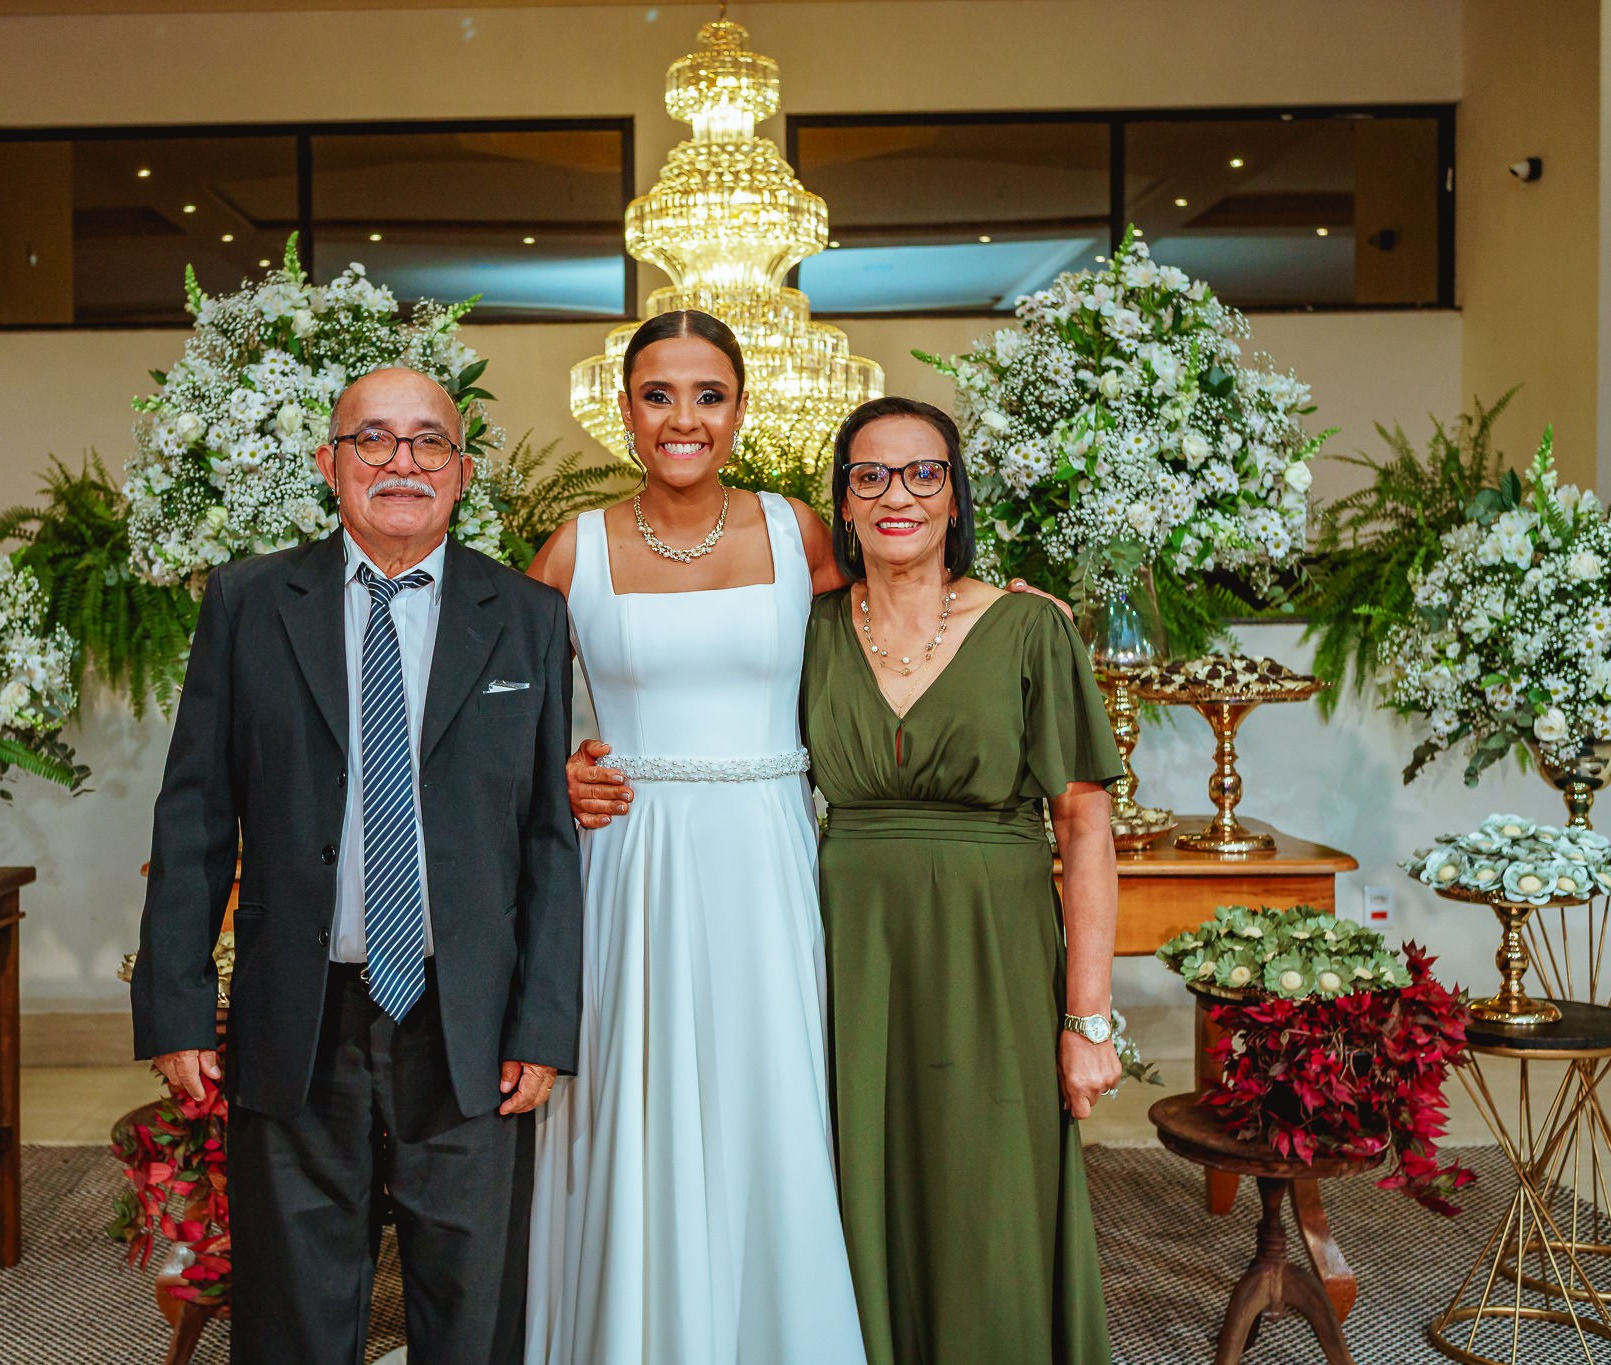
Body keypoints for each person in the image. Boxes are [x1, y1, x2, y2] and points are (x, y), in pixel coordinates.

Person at [131, 367, 584, 1365]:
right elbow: (196, 810)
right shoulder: (250, 602)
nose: (402, 462)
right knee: (293, 1306)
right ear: (328, 464)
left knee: (473, 1307)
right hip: (299, 1010)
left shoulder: (525, 616)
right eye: (373, 439)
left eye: (429, 441)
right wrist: (175, 1006)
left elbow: (547, 838)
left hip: (468, 1018)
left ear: (462, 470)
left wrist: (544, 1025)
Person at [522, 310, 869, 1364]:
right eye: (658, 395)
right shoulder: (573, 549)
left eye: (708, 395)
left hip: (767, 858)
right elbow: (492, 710)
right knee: (638, 1100)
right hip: (632, 862)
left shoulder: (798, 533)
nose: (684, 418)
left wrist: (1006, 603)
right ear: (624, 412)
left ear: (741, 409)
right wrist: (555, 777)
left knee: (767, 1093)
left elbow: (897, 627)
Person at [804, 396, 1123, 1363]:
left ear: (955, 496)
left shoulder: (1029, 627)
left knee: (991, 1187)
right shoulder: (807, 631)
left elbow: (1085, 827)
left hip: (995, 951)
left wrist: (1088, 1021)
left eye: (923, 472)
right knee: (856, 1178)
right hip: (851, 950)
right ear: (844, 503)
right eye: (870, 475)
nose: (896, 495)